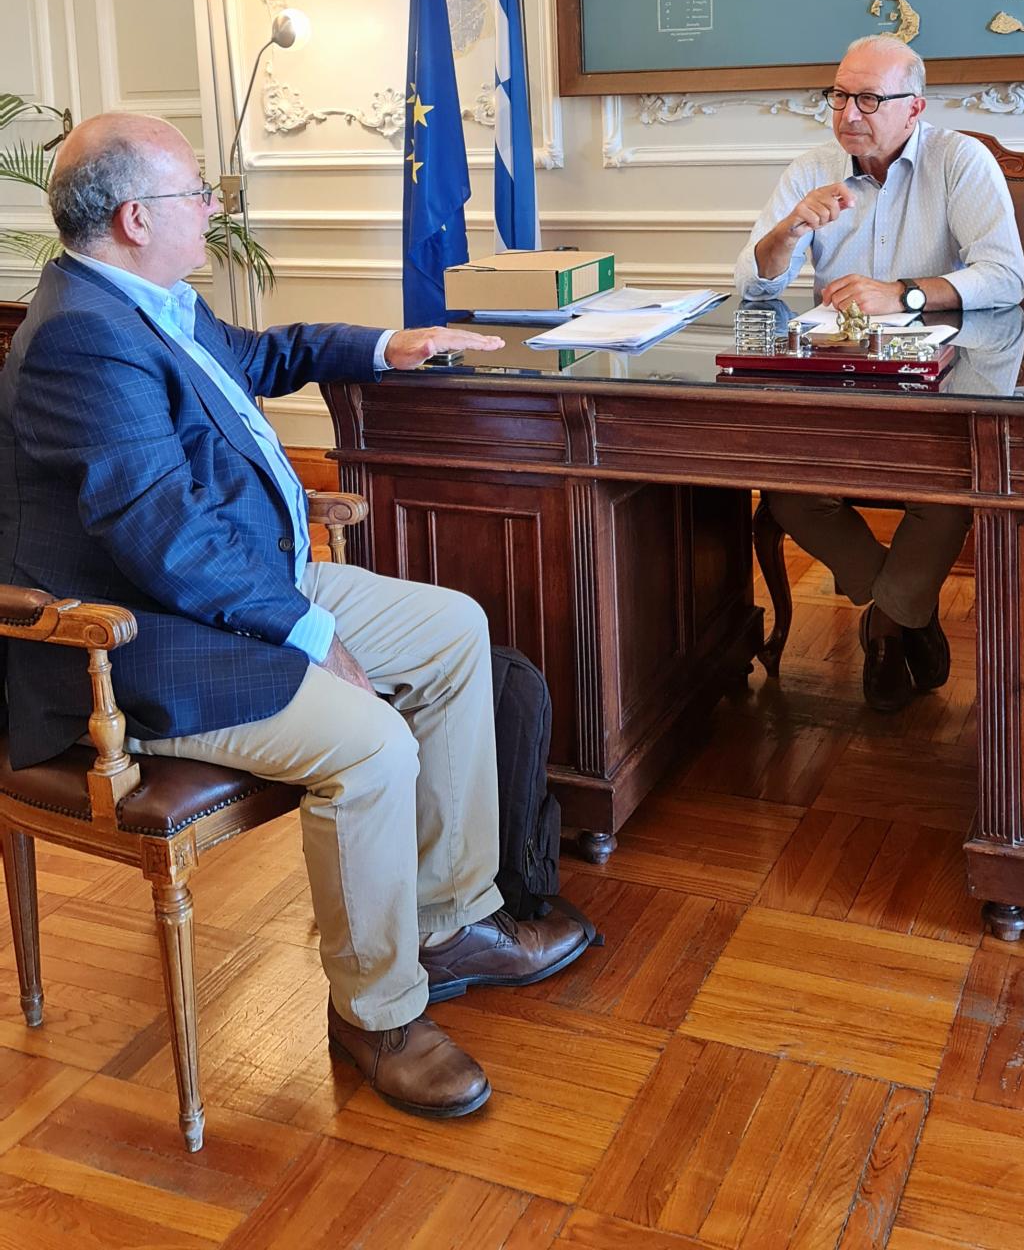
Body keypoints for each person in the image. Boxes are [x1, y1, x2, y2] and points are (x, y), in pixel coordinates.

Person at [0, 113, 592, 1120]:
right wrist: (310, 633)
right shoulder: (79, 339)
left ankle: (446, 924)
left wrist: (387, 344)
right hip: (139, 639)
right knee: (370, 744)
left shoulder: (148, 298)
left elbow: (260, 356)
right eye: (198, 192)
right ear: (137, 217)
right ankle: (377, 1011)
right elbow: (164, 537)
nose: (213, 207)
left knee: (452, 630)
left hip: (234, 587)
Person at [734, 34, 1024, 712]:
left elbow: (1006, 275)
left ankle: (888, 626)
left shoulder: (960, 161)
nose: (848, 114)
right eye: (839, 96)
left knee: (948, 492)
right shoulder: (812, 169)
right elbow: (753, 286)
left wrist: (905, 293)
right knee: (789, 492)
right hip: (836, 389)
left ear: (914, 107)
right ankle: (903, 610)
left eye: (868, 99)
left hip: (941, 387)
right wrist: (787, 231)